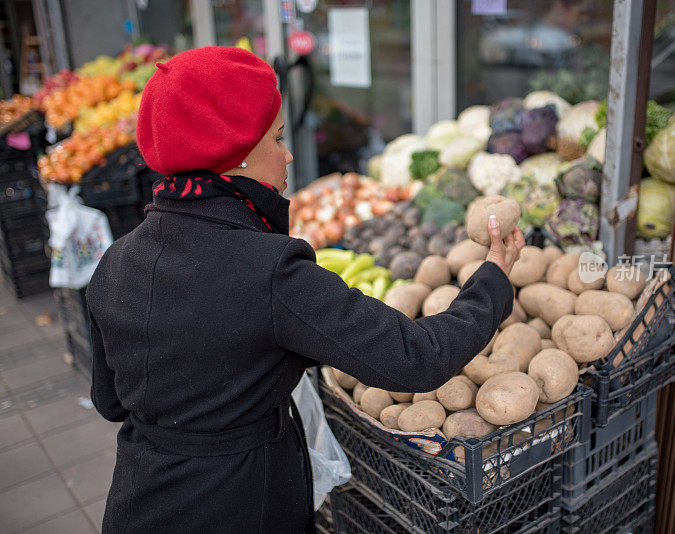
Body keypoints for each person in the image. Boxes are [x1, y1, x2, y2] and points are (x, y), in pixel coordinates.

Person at [86, 47, 524, 534]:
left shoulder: (114, 262)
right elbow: (417, 358)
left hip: (138, 502)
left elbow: (110, 403)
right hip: (240, 505)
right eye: (277, 138)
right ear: (239, 156)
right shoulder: (269, 270)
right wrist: (494, 276)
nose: (289, 154)